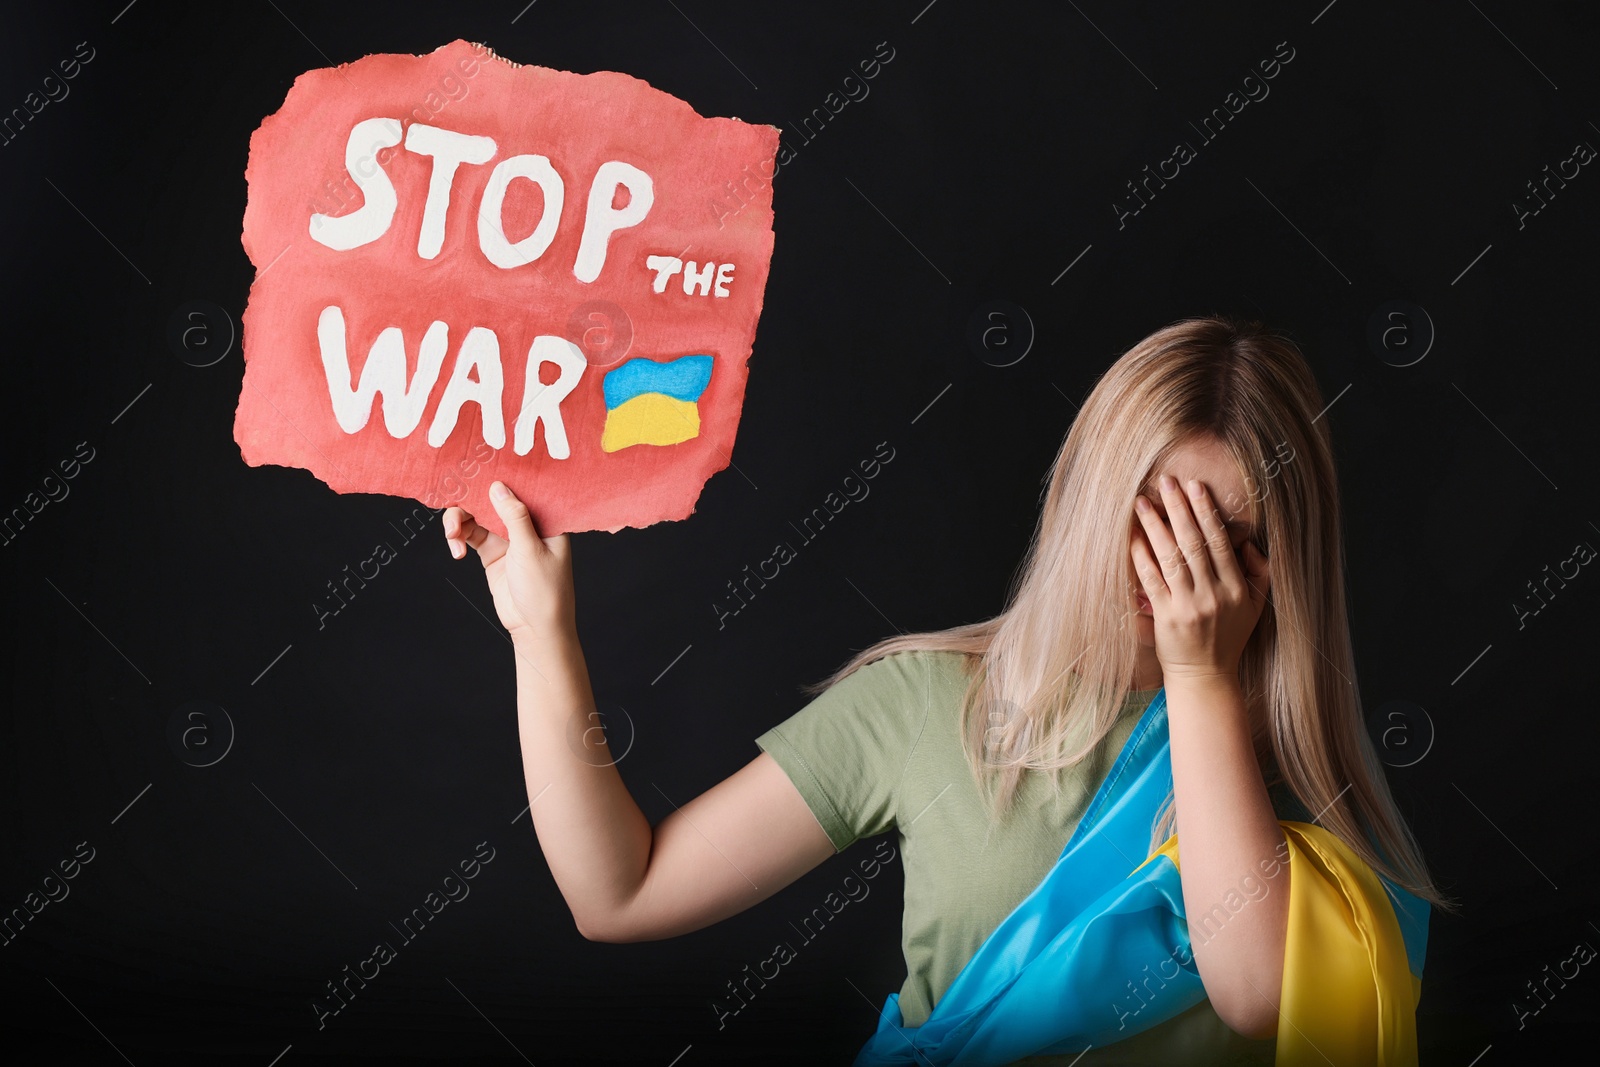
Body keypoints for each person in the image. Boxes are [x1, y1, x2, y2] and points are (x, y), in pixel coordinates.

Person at [442, 315, 1452, 1065]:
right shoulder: (931, 700)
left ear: (1285, 562)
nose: (1174, 575)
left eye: (1224, 542)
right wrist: (541, 630)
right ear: (1087, 502)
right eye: (1153, 523)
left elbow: (1261, 993)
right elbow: (618, 893)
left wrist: (1198, 677)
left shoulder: (1305, 785)